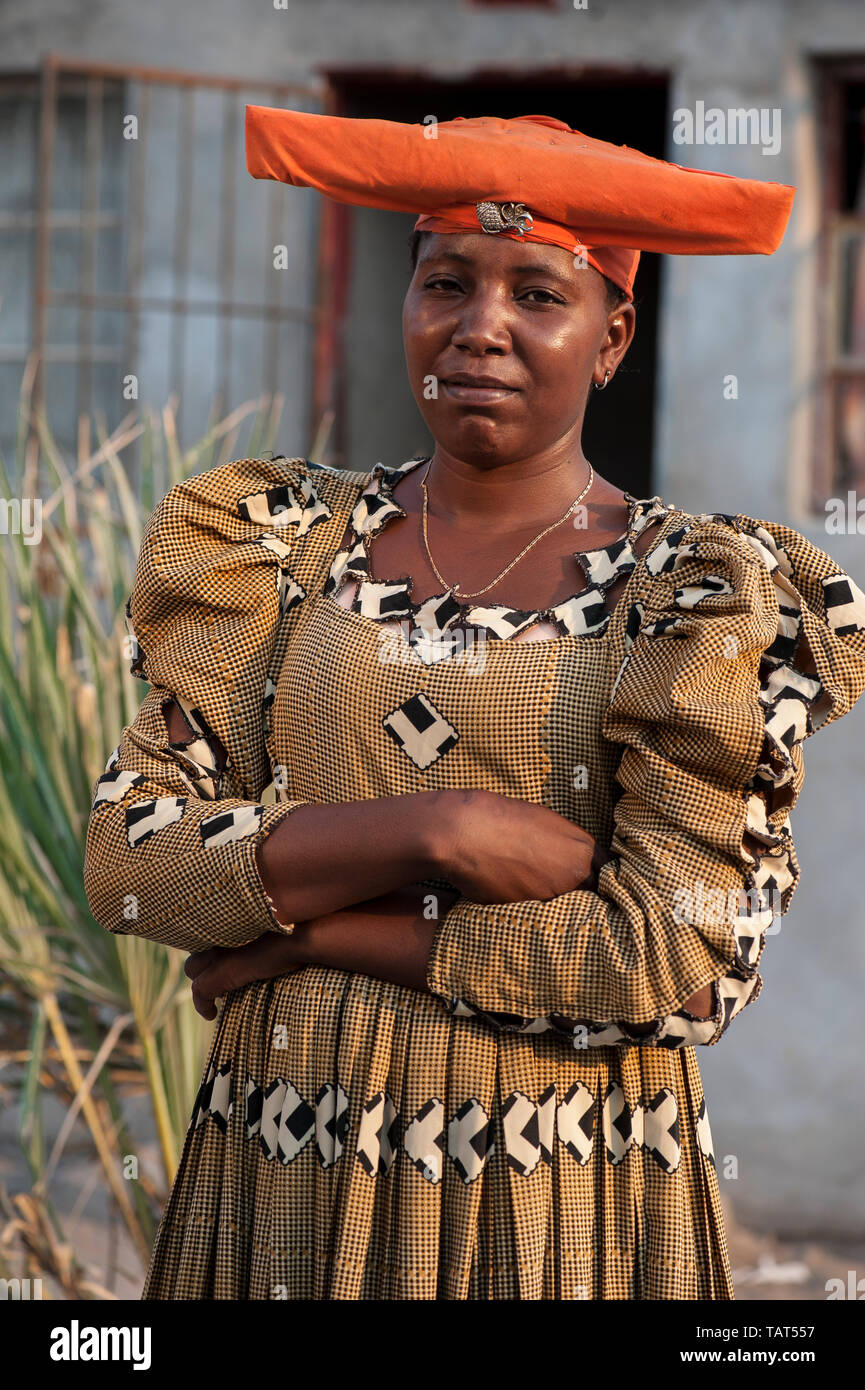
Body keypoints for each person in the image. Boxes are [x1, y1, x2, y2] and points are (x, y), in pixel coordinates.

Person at [84, 111, 865, 1300]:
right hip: (288, 1154)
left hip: (564, 1186)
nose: (479, 326)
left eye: (538, 295)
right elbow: (130, 859)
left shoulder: (694, 593)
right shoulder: (275, 547)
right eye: (445, 281)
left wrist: (311, 928)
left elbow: (673, 961)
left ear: (613, 338)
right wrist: (435, 831)